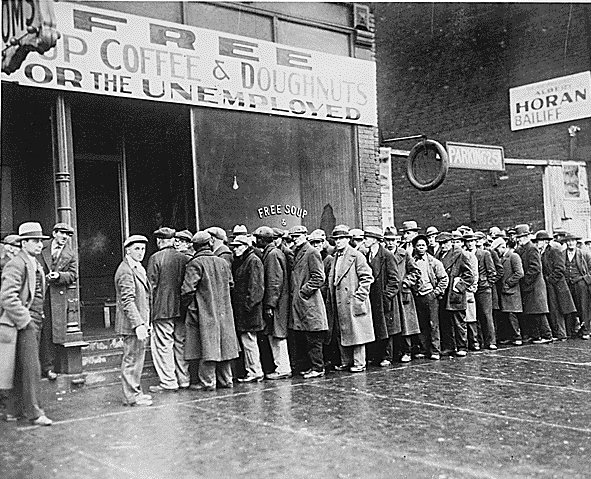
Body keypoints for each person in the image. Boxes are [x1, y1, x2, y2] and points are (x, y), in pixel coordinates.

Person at [0, 222, 53, 425]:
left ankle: (15, 410)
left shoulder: (33, 262)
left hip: (34, 320)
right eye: (35, 241)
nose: (39, 244)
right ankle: (34, 412)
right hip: (22, 323)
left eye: (41, 241)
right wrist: (26, 320)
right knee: (31, 368)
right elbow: (7, 297)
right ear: (24, 243)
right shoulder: (17, 264)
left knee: (21, 367)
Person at [181, 232, 239, 390]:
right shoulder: (222, 262)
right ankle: (227, 380)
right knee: (224, 347)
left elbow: (187, 290)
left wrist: (188, 307)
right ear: (209, 244)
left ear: (195, 246)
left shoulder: (195, 263)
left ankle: (208, 382)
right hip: (224, 312)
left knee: (206, 346)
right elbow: (231, 284)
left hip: (204, 311)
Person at [147, 227, 190, 393]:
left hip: (162, 309)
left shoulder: (155, 258)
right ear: (173, 240)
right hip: (181, 309)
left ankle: (169, 381)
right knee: (180, 344)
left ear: (159, 241)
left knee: (164, 345)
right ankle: (184, 379)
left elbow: (151, 287)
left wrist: (149, 313)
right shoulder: (184, 257)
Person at [327, 225, 374, 372]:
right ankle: (346, 361)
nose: (339, 242)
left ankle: (359, 363)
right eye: (336, 239)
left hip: (352, 300)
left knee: (357, 332)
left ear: (348, 239)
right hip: (339, 299)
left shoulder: (356, 256)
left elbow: (367, 277)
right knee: (343, 330)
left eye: (342, 238)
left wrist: (359, 297)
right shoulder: (335, 257)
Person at [115, 235, 152, 407]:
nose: (141, 252)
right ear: (127, 250)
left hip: (139, 323)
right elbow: (127, 300)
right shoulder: (126, 271)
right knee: (131, 359)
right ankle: (131, 396)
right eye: (136, 249)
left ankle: (135, 393)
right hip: (132, 324)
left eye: (143, 249)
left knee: (137, 359)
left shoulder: (137, 268)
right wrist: (138, 324)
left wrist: (145, 322)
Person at [38, 222, 77, 380]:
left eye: (68, 235)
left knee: (52, 332)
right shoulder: (41, 246)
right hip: (38, 293)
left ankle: (49, 367)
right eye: (62, 233)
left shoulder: (70, 253)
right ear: (54, 233)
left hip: (56, 297)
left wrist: (59, 276)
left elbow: (73, 275)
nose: (65, 238)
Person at [289, 225, 328, 379]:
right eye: (293, 237)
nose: (295, 240)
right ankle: (313, 366)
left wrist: (304, 291)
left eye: (297, 236)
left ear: (305, 236)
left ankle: (318, 368)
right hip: (303, 303)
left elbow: (319, 277)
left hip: (310, 302)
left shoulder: (311, 252)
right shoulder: (298, 252)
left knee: (313, 337)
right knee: (307, 336)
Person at [255, 227, 291, 380]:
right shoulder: (273, 253)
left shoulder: (272, 255)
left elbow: (274, 282)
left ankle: (282, 368)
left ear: (263, 239)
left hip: (276, 303)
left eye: (258, 238)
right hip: (277, 301)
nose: (256, 241)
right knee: (275, 335)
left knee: (278, 335)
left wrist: (270, 305)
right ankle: (281, 366)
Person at [363, 226, 399, 367]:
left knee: (386, 328)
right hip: (372, 297)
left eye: (367, 238)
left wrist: (386, 296)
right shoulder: (367, 256)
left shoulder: (387, 256)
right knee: (377, 326)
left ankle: (387, 356)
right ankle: (377, 355)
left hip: (383, 299)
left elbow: (394, 280)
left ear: (375, 240)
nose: (364, 241)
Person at [231, 234, 265, 382]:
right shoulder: (247, 260)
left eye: (238, 246)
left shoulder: (252, 261)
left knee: (249, 341)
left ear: (246, 246)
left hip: (249, 311)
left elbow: (256, 288)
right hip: (247, 310)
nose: (235, 249)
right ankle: (253, 370)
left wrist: (247, 306)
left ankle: (255, 371)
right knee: (248, 342)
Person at [514, 224, 553, 344]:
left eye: (521, 237)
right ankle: (536, 335)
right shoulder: (521, 249)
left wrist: (525, 281)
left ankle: (547, 335)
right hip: (529, 285)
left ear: (526, 236)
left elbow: (535, 268)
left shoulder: (532, 248)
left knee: (539, 312)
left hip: (535, 285)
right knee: (532, 312)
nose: (518, 239)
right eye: (518, 237)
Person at [534, 230, 576, 342]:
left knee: (556, 309)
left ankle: (561, 334)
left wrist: (550, 279)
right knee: (553, 309)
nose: (538, 243)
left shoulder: (554, 251)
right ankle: (558, 333)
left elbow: (560, 268)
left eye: (540, 241)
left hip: (556, 285)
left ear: (546, 241)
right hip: (550, 285)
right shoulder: (542, 252)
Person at [412, 234, 448, 360]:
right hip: (418, 295)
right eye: (418, 246)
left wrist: (436, 292)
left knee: (433, 324)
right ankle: (423, 349)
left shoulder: (434, 262)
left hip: (430, 296)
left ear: (427, 247)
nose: (420, 248)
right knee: (421, 324)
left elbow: (444, 279)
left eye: (423, 245)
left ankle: (435, 350)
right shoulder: (412, 261)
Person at [437, 231, 474, 357]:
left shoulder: (460, 254)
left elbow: (469, 276)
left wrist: (458, 287)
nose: (443, 246)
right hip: (443, 294)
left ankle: (462, 346)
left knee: (459, 322)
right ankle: (449, 346)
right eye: (440, 243)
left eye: (445, 243)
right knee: (446, 322)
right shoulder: (438, 255)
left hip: (455, 294)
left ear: (451, 242)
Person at [390, 227, 421, 362]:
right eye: (388, 240)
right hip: (391, 294)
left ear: (397, 240)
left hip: (403, 294)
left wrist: (406, 282)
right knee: (393, 324)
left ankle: (407, 351)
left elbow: (415, 272)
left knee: (406, 325)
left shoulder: (404, 254)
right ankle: (394, 352)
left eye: (392, 240)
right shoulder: (385, 255)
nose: (390, 243)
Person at [491, 237, 524, 345]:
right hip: (506, 291)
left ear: (502, 247)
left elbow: (519, 273)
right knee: (507, 315)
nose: (497, 252)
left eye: (498, 249)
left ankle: (517, 336)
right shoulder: (504, 258)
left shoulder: (513, 256)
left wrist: (508, 283)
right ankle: (511, 336)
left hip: (512, 291)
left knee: (512, 314)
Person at [470, 231, 498, 350]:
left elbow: (492, 271)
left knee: (487, 315)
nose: (470, 244)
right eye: (468, 242)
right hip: (472, 289)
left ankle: (491, 341)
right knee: (474, 316)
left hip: (483, 288)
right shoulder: (466, 255)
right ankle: (478, 341)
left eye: (472, 241)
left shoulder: (484, 254)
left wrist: (487, 284)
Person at [562, 233, 591, 340]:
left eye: (572, 241)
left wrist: (585, 280)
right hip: (567, 284)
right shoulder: (562, 254)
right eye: (568, 241)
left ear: (576, 242)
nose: (570, 243)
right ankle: (572, 330)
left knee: (583, 307)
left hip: (581, 284)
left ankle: (586, 330)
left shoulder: (584, 254)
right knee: (570, 307)